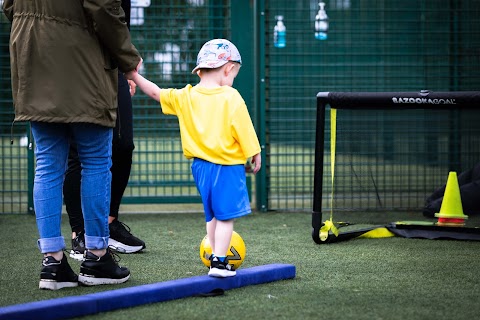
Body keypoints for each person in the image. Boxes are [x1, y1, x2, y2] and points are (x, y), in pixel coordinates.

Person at [3, 0, 142, 290]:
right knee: (95, 160)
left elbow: (9, 6)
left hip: (32, 57)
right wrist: (128, 58)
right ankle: (97, 257)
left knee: (48, 164)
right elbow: (103, 7)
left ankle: (52, 262)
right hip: (81, 59)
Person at [128, 39, 261, 277]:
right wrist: (255, 151)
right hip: (227, 167)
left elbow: (156, 92)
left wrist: (134, 75)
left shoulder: (186, 96)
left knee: (211, 215)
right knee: (226, 217)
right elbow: (244, 129)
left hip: (200, 168)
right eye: (234, 75)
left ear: (200, 70)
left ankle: (214, 258)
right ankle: (220, 263)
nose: (232, 81)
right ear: (228, 69)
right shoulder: (231, 97)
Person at [64, 0, 146, 261]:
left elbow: (116, 19)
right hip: (73, 60)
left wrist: (125, 65)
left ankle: (108, 223)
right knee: (78, 153)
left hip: (112, 60)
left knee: (123, 144)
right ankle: (80, 234)